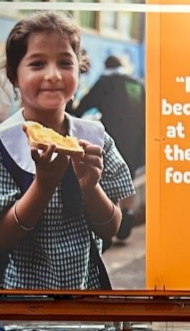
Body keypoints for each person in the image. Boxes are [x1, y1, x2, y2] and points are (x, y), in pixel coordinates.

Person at [0, 12, 134, 289]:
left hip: (84, 297)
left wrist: (91, 187)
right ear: (14, 76)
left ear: (79, 69)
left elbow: (111, 228)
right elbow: (2, 236)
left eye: (64, 63)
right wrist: (43, 185)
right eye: (37, 64)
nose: (53, 75)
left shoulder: (96, 138)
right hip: (15, 304)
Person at [73, 54, 145, 241]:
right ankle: (127, 213)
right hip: (136, 140)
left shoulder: (105, 82)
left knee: (108, 176)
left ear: (106, 66)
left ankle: (114, 218)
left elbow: (82, 109)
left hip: (113, 137)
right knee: (127, 175)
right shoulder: (137, 84)